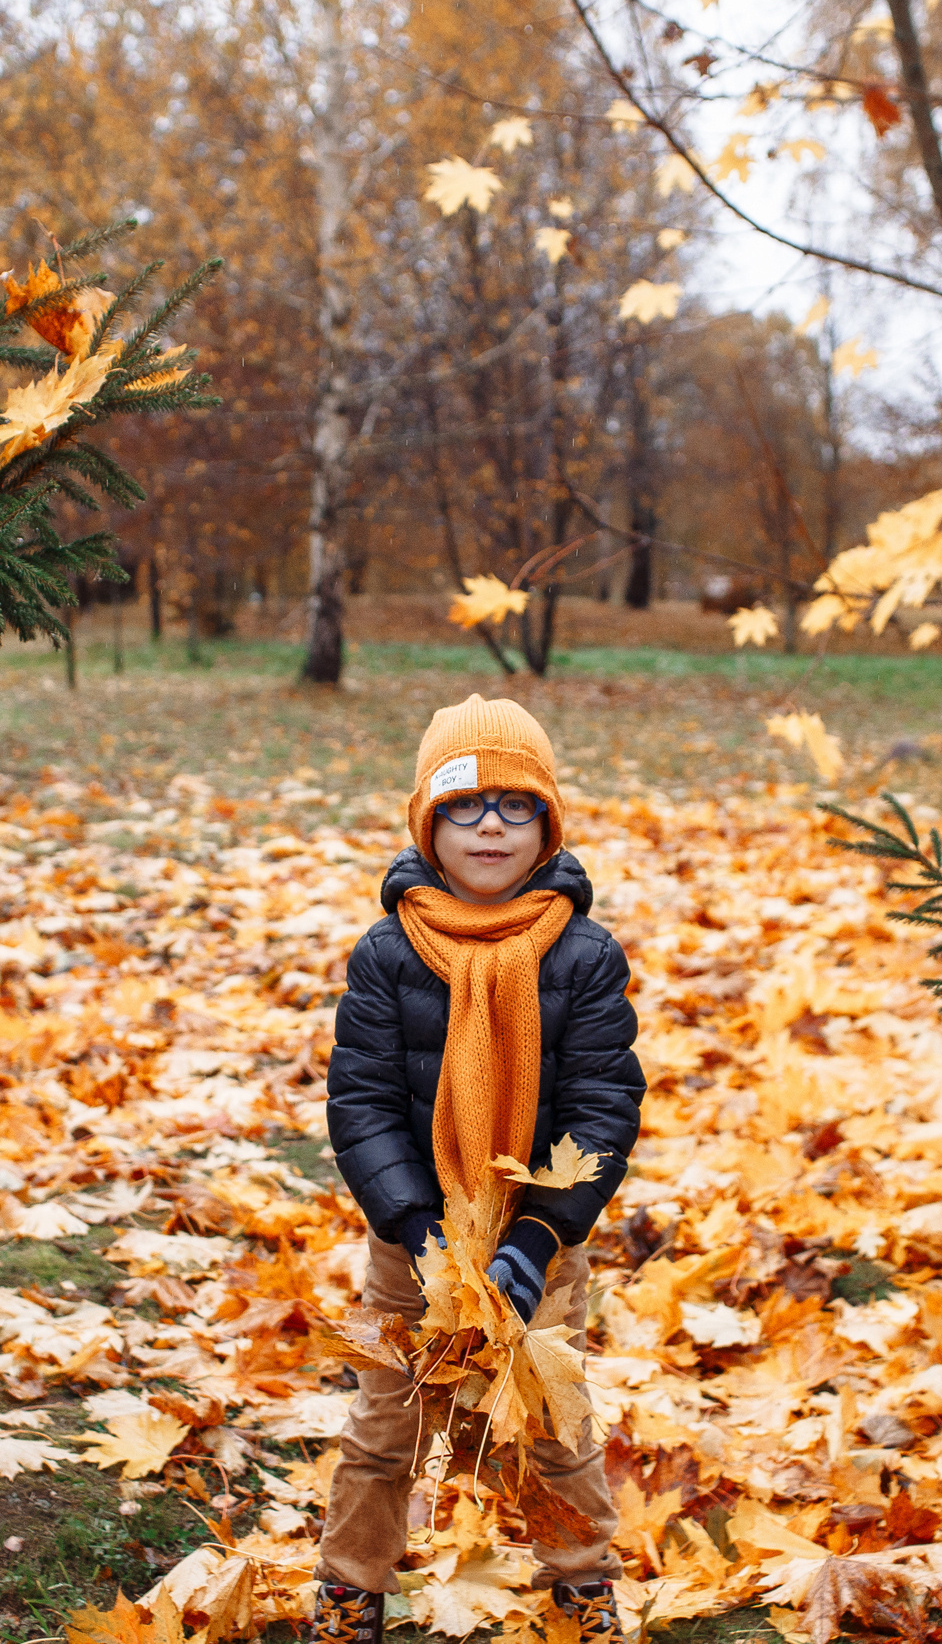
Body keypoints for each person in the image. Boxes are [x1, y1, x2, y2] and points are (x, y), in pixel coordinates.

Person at [310, 694, 648, 1644]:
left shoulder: (583, 954)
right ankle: (350, 1586)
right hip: (413, 1238)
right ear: (428, 821)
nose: (490, 825)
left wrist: (538, 1239)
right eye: (464, 804)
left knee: (554, 1422)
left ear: (547, 824)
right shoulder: (389, 952)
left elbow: (602, 1108)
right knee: (388, 1422)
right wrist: (418, 1230)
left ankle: (582, 1582)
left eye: (514, 805)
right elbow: (363, 1105)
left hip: (537, 1239)